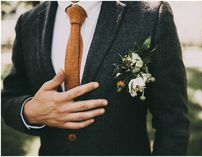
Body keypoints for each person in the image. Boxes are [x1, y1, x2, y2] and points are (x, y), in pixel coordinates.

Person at [2, 1, 190, 155]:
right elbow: (9, 99)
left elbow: (173, 121)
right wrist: (30, 111)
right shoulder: (28, 22)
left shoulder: (150, 14)